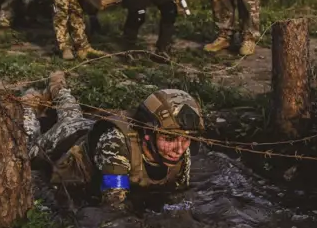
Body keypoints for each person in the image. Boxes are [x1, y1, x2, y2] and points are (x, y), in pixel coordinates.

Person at [20, 71, 204, 209]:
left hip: (89, 132)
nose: (179, 149)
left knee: (71, 112)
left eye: (187, 139)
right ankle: (29, 102)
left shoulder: (180, 150)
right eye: (170, 138)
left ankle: (57, 86)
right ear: (148, 132)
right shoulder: (116, 144)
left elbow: (178, 195)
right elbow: (113, 204)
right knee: (27, 148)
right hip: (66, 141)